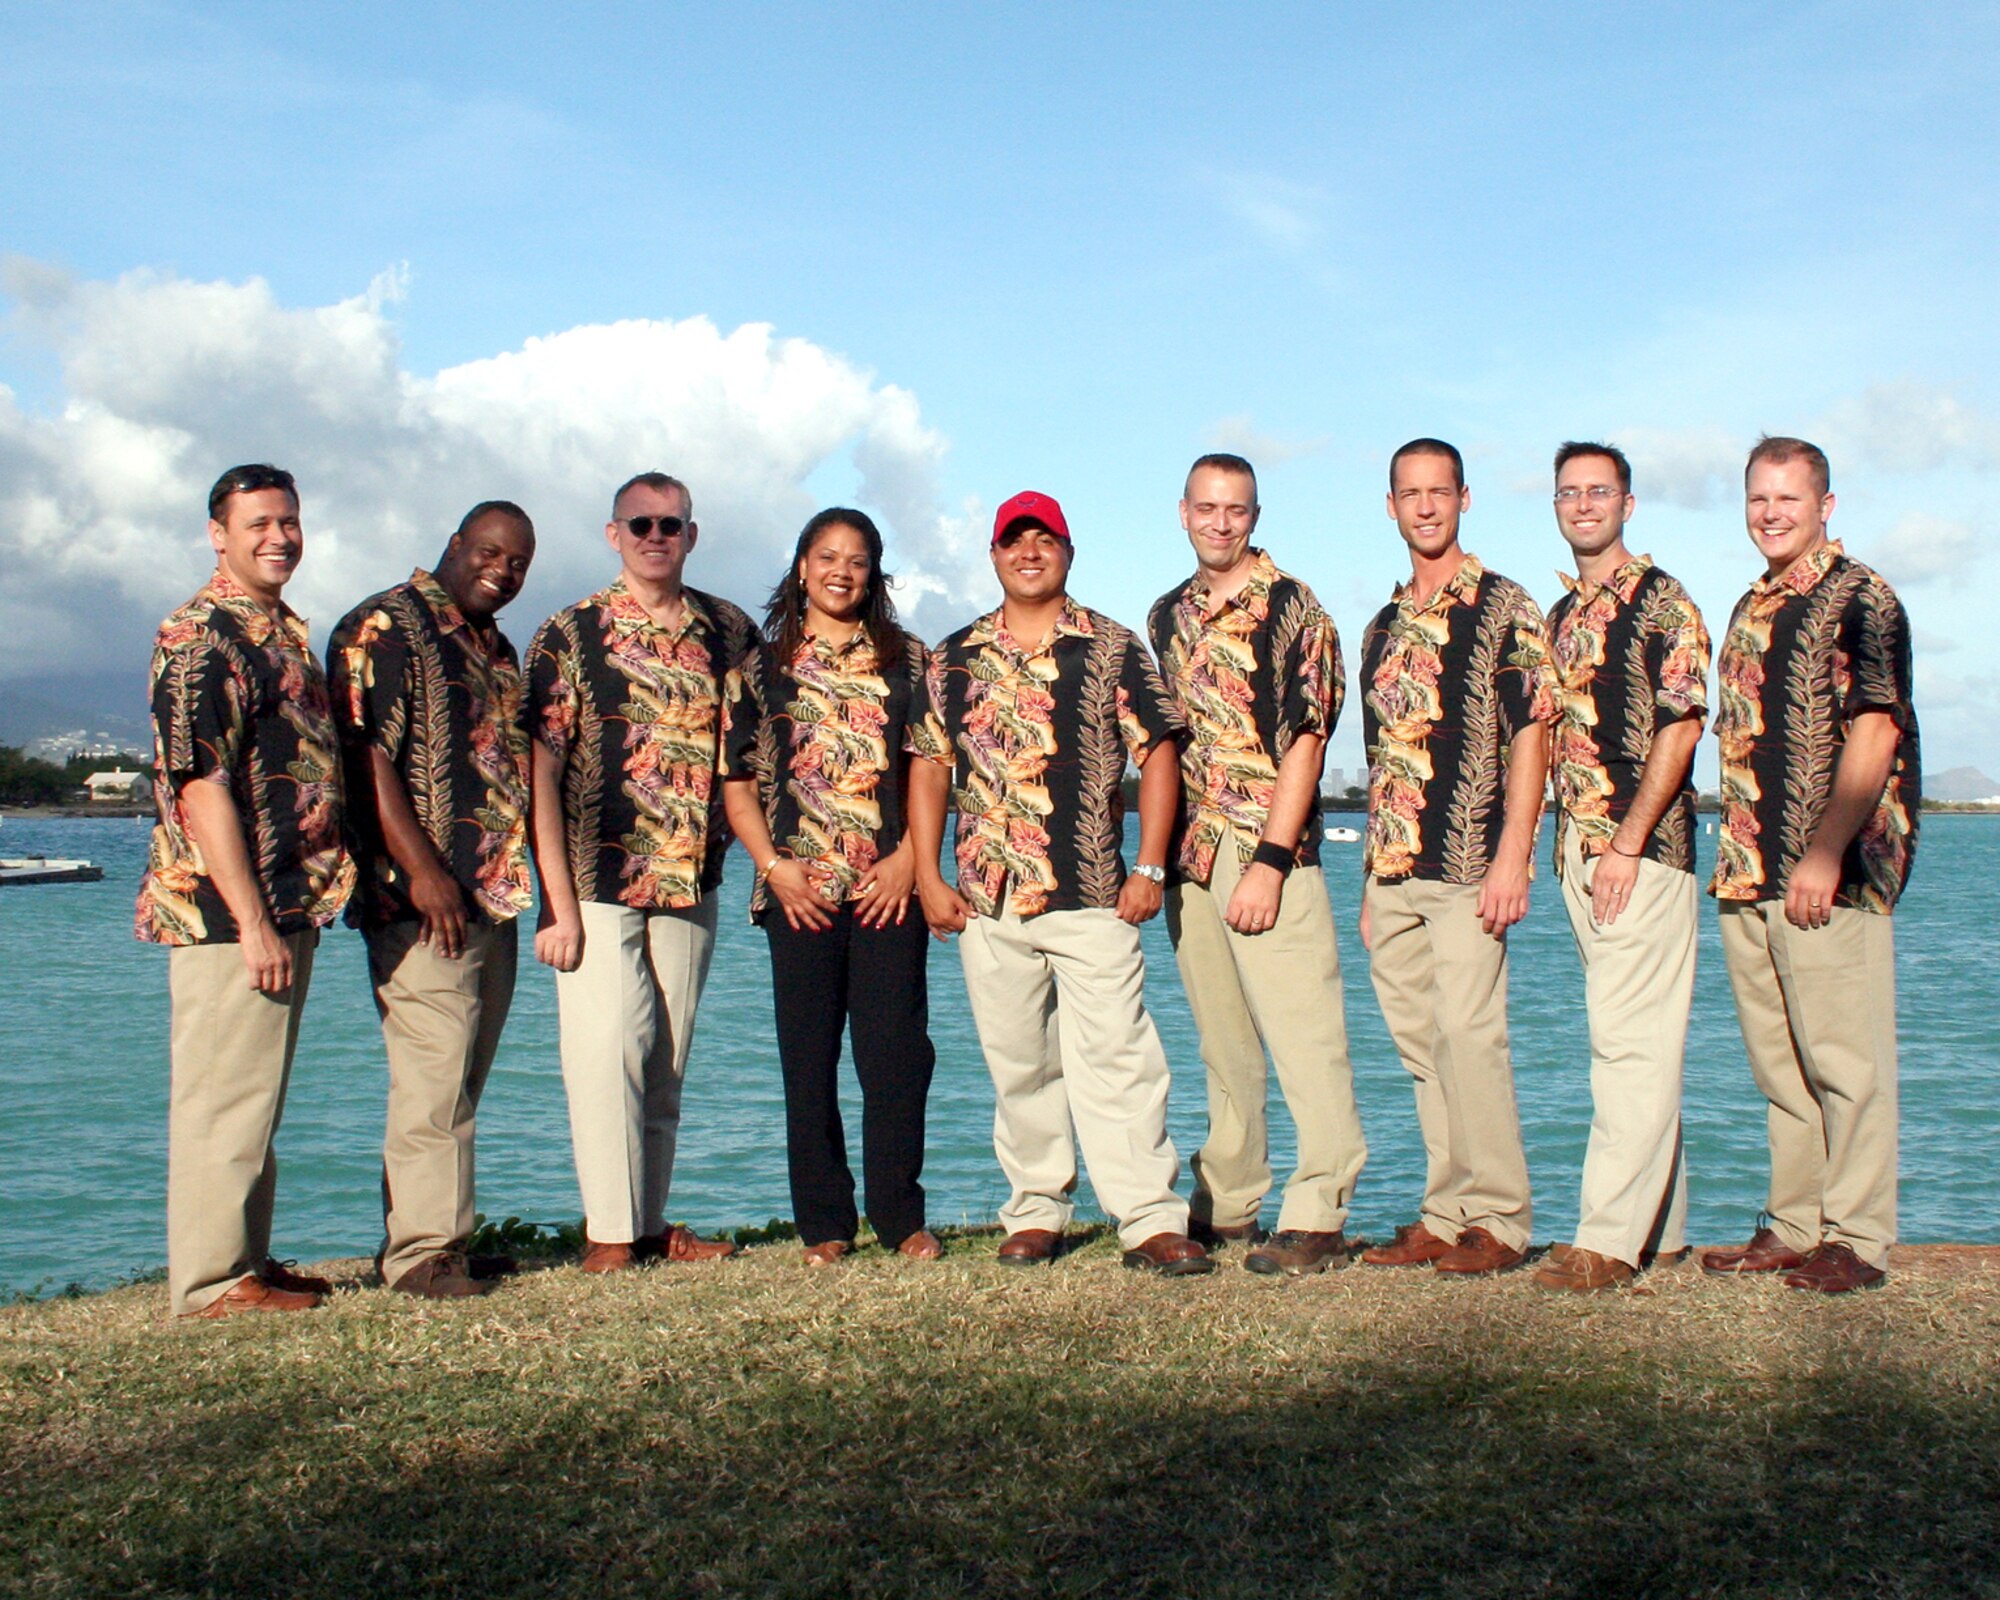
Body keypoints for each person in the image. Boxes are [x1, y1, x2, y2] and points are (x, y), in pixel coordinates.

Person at [907, 490, 1212, 1275]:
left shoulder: (1110, 648)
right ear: (995, 554)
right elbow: (931, 767)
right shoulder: (953, 658)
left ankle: (1148, 1218)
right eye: (1016, 541)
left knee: (1119, 1057)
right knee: (1019, 1064)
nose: (1030, 553)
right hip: (986, 895)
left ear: (1068, 553)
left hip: (1093, 890)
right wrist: (928, 874)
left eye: (1045, 541)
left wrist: (1150, 863)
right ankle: (1037, 1211)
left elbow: (1161, 755)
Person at [137, 464, 357, 1319]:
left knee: (255, 1095)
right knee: (222, 1098)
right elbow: (199, 784)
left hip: (285, 899)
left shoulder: (276, 628)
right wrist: (255, 921)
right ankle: (209, 1283)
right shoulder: (200, 637)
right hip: (229, 910)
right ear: (217, 533)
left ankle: (246, 1260)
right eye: (259, 522)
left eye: (290, 521)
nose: (280, 537)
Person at [1700, 437, 1919, 1294]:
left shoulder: (1864, 598)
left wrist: (1826, 849)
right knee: (1782, 1064)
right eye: (1759, 498)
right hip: (1749, 863)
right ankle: (1796, 1223)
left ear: (1826, 504)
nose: (1772, 512)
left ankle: (1857, 1238)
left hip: (1835, 866)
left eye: (1789, 498)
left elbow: (1877, 725)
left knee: (1845, 1061)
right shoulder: (1752, 604)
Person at [526, 472, 754, 1272]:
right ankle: (609, 1238)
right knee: (606, 1058)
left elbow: (753, 759)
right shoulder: (570, 633)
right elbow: (539, 774)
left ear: (692, 535)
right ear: (613, 533)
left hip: (693, 880)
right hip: (597, 880)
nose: (656, 536)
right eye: (641, 524)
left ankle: (649, 1226)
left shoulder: (729, 630)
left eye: (671, 524)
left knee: (665, 1065)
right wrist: (556, 906)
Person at [1148, 453, 1367, 1275]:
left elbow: (1308, 739)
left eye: (1234, 510)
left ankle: (1319, 1212)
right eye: (1206, 508)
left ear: (1254, 515)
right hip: (1191, 853)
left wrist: (1271, 860)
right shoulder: (1166, 613)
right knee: (1224, 1043)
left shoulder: (1294, 608)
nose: (1220, 522)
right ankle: (1232, 1200)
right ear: (1183, 512)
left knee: (1306, 1037)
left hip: (1269, 845)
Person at [1357, 439, 1557, 1276]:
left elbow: (1533, 731)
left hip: (1473, 861)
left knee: (1472, 1040)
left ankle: (1501, 1222)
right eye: (1411, 493)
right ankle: (1445, 1213)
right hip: (1395, 869)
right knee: (1421, 1047)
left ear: (1465, 499)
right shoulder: (1383, 623)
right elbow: (1382, 759)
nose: (1426, 506)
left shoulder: (1506, 605)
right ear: (1392, 505)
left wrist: (1516, 854)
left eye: (1440, 491)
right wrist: (1370, 882)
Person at [328, 502, 538, 1299]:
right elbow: (363, 753)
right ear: (454, 545)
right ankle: (421, 1255)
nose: (503, 570)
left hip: (490, 893)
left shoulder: (495, 646)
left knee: (459, 1078)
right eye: (489, 552)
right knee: (431, 1076)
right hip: (420, 901)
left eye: (517, 562)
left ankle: (436, 1236)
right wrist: (420, 869)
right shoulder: (385, 626)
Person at [720, 508, 940, 1266]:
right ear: (802, 566)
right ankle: (824, 1225)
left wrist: (913, 856)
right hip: (798, 894)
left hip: (889, 889)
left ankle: (900, 1216)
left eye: (857, 560)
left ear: (874, 573)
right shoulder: (760, 665)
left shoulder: (909, 662)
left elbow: (928, 769)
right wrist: (773, 868)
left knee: (896, 1056)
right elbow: (737, 781)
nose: (841, 571)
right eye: (827, 557)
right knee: (807, 1060)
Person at [1531, 444, 1710, 1292]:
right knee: (1632, 1040)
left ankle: (1605, 1243)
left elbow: (1682, 724)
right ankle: (1662, 1235)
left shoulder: (1661, 601)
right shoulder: (1565, 613)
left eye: (1599, 490)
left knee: (1629, 1049)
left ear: (1629, 504)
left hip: (1640, 851)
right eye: (1570, 492)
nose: (1583, 504)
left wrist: (1629, 842)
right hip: (1581, 848)